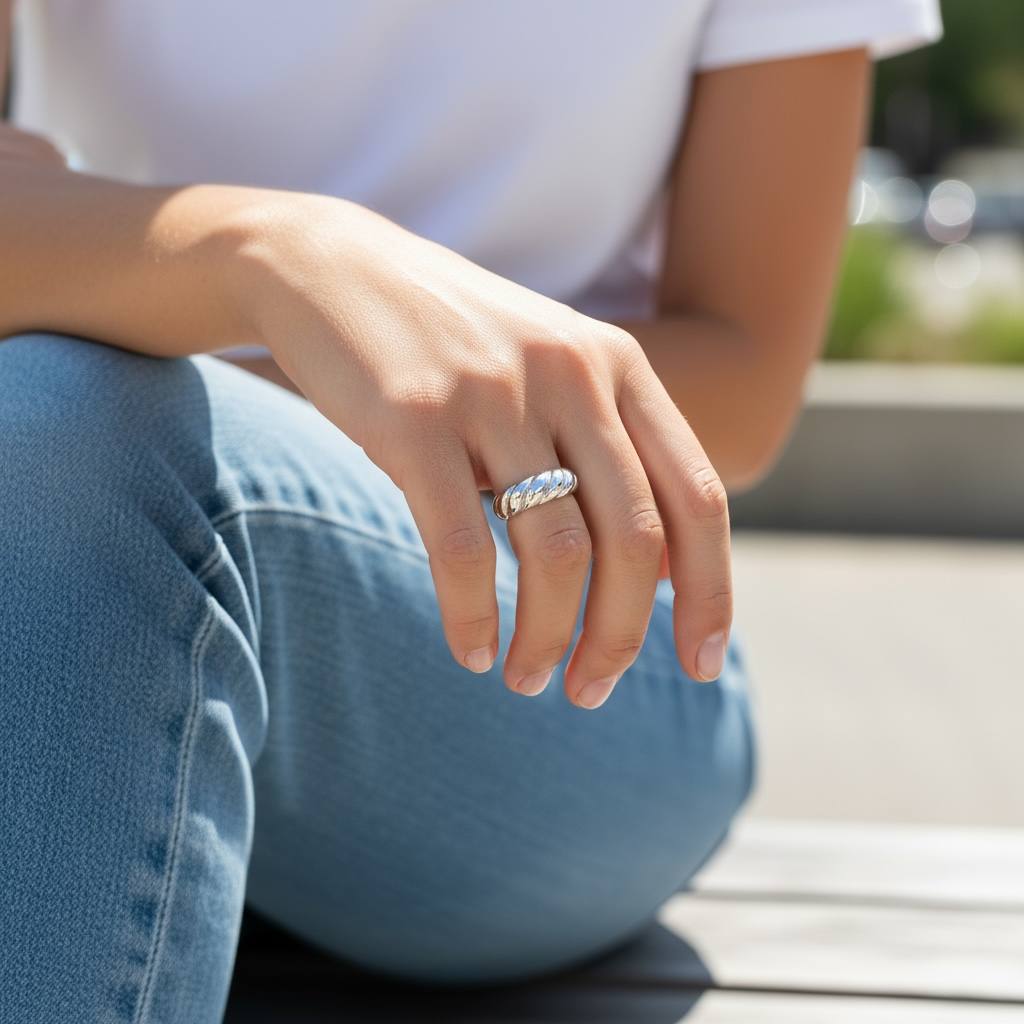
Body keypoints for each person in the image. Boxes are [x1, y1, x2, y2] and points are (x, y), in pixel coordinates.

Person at [0, 1, 941, 1021]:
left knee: (83, 431)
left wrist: (354, 360)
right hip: (70, 580)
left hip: (577, 654)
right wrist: (272, 254)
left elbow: (743, 375)